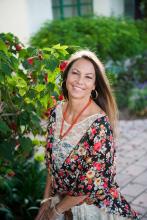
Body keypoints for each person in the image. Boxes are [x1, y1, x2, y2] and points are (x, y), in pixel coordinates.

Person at [35, 50, 140, 220]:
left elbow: (90, 186)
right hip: (60, 204)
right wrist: (46, 202)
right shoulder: (56, 111)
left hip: (91, 208)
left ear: (94, 85)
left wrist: (54, 212)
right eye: (75, 73)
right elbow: (51, 166)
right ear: (66, 75)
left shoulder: (99, 126)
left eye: (88, 77)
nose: (79, 81)